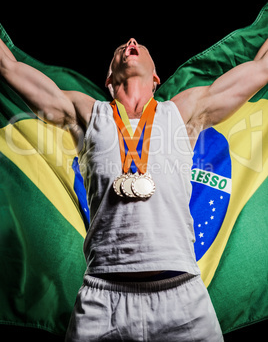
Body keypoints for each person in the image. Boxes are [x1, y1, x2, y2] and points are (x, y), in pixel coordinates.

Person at [0, 36, 268, 341]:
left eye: (139, 44)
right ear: (109, 79)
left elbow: (261, 69)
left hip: (183, 297)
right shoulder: (89, 114)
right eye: (121, 47)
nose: (131, 41)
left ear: (155, 78)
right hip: (102, 299)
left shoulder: (183, 112)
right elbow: (9, 68)